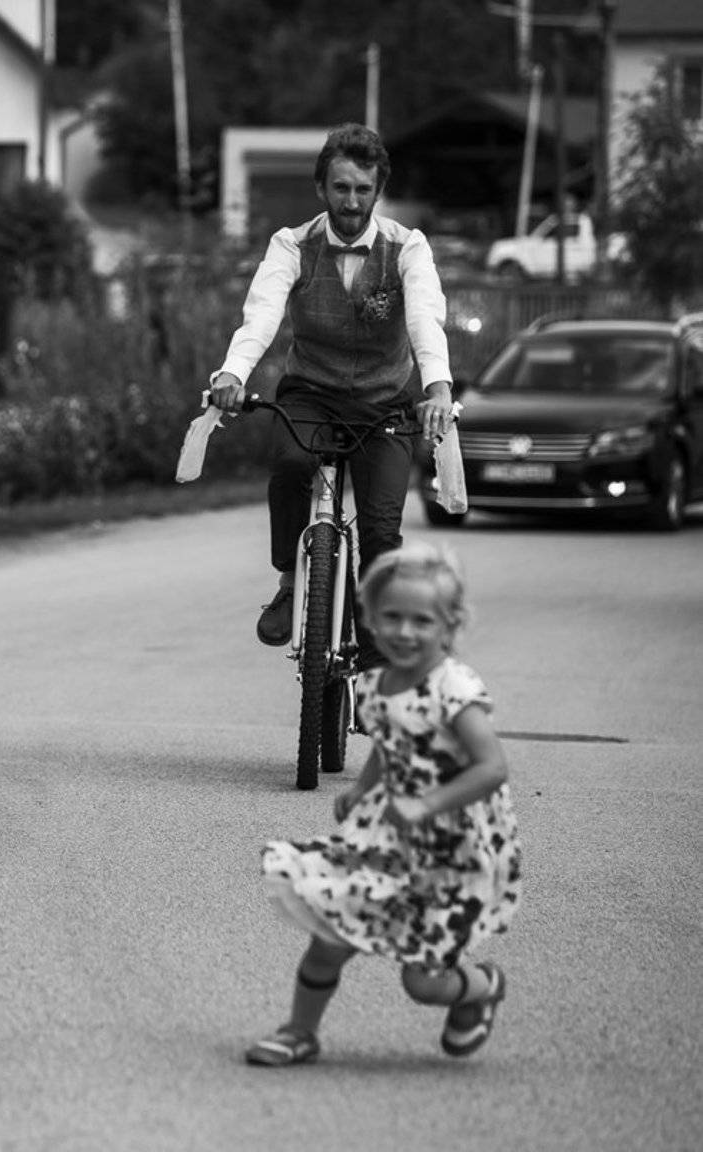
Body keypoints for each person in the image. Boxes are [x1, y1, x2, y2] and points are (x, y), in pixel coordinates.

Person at [244, 542, 521, 1066]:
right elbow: (391, 742)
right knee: (329, 937)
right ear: (370, 619)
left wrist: (426, 804)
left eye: (422, 620)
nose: (405, 631)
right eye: (391, 617)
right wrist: (362, 788)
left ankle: (482, 986)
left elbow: (492, 768)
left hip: (447, 850)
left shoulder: (454, 689)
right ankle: (299, 1031)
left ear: (450, 624)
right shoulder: (374, 685)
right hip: (386, 836)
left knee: (423, 983)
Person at [208, 123, 456, 657]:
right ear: (321, 187)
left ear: (378, 191)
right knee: (291, 464)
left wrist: (437, 388)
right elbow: (262, 315)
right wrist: (232, 374)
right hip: (312, 393)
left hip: (383, 403)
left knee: (382, 535)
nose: (352, 201)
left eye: (363, 189)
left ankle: (373, 660)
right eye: (341, 188)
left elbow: (424, 319)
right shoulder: (292, 244)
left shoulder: (407, 247)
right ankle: (290, 580)